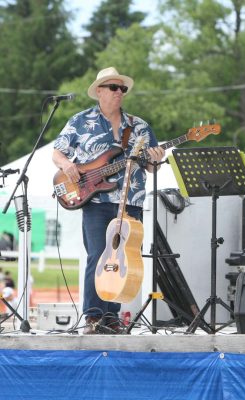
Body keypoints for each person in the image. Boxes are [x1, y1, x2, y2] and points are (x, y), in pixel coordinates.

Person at [52, 67, 165, 334]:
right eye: (113, 88)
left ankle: (112, 316)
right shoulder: (80, 121)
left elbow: (151, 167)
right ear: (99, 91)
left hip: (131, 198)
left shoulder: (139, 126)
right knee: (97, 255)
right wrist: (68, 165)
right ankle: (93, 316)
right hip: (95, 201)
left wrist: (156, 160)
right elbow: (57, 153)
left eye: (122, 89)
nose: (119, 93)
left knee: (123, 257)